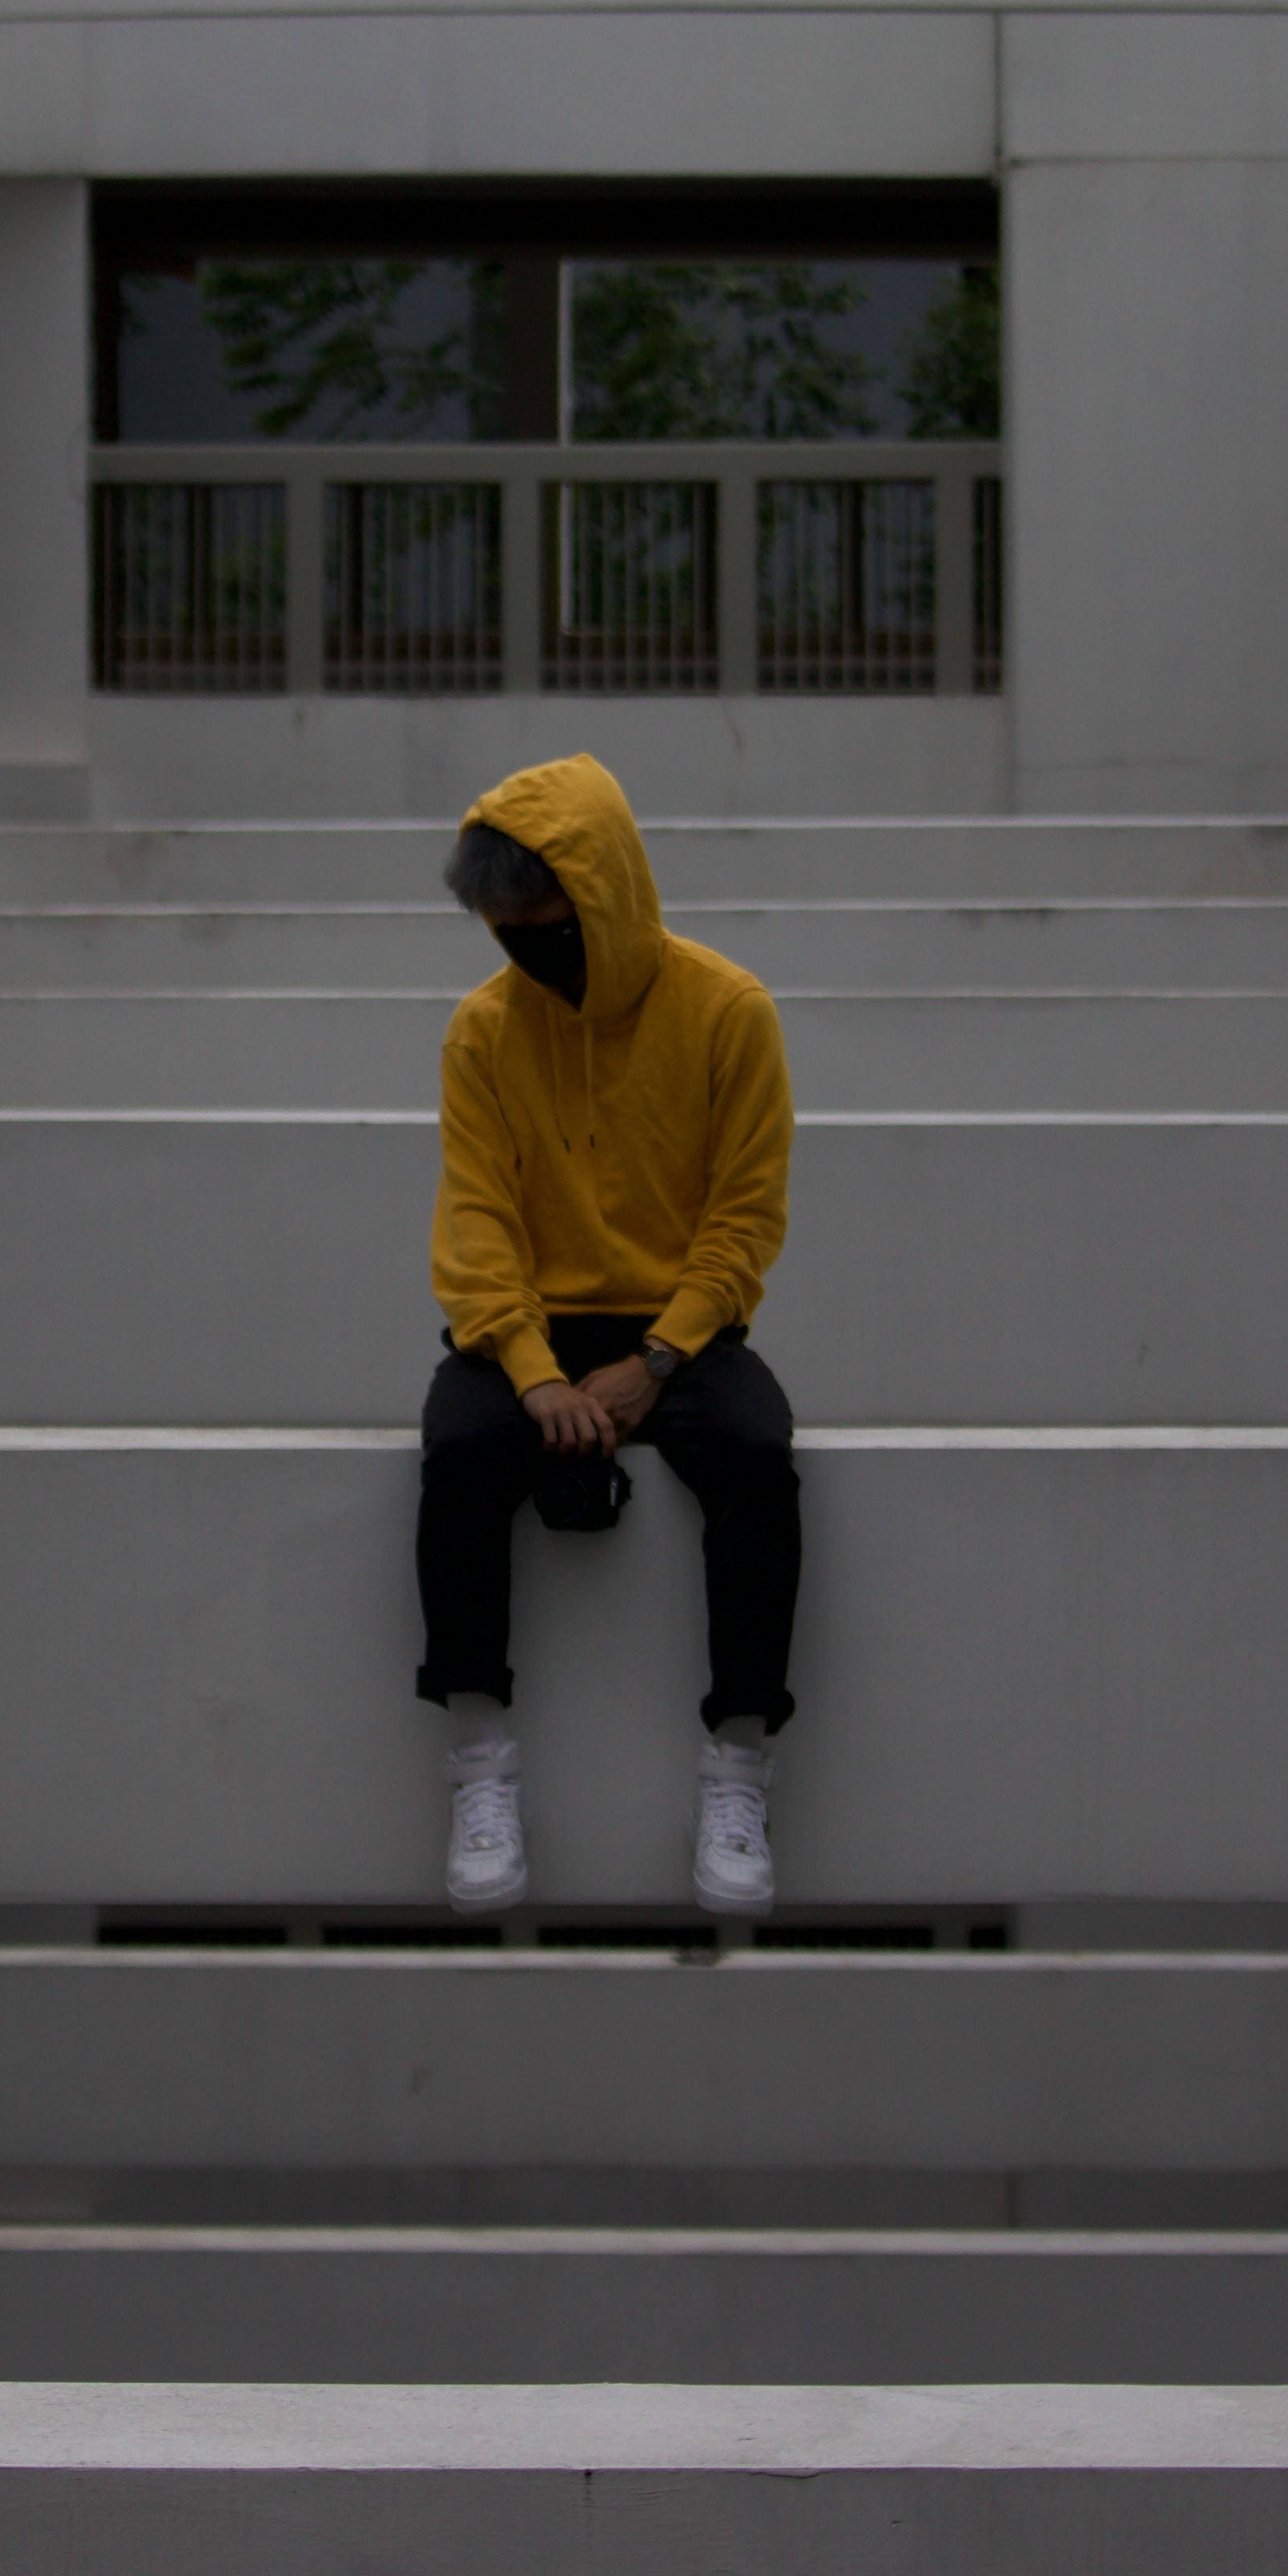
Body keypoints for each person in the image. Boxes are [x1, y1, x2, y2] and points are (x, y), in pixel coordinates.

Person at [416, 753, 801, 1919]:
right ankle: (481, 1762)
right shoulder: (483, 1035)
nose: (533, 957)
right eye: (510, 936)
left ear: (607, 898)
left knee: (753, 1457)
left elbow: (745, 1218)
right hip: (527, 1326)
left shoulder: (728, 1012)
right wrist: (533, 1376)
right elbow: (475, 1222)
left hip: (683, 1326)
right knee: (460, 1453)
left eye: (550, 929)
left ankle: (739, 1765)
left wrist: (659, 1362)